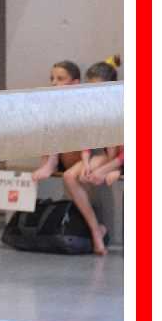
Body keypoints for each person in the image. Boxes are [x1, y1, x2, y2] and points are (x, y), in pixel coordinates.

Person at [61, 56, 123, 255]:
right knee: (69, 176)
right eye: (90, 87)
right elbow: (88, 140)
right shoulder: (93, 108)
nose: (93, 92)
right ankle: (96, 230)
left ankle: (98, 232)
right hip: (112, 157)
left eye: (98, 87)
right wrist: (86, 161)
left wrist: (108, 169)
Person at [31, 60, 82, 182]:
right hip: (60, 158)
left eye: (60, 79)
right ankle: (47, 164)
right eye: (52, 78)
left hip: (81, 160)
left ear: (75, 83)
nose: (54, 83)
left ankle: (50, 163)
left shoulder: (81, 105)